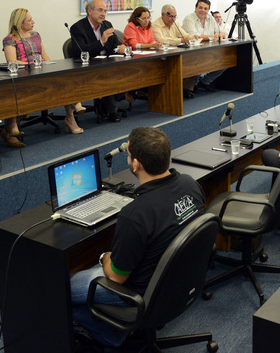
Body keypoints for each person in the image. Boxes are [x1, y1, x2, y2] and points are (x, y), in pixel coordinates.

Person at [69, 127, 204, 347]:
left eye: (129, 154)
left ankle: (112, 336)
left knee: (61, 290)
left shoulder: (134, 215)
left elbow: (116, 278)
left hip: (142, 293)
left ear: (136, 165)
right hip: (179, 280)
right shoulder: (191, 184)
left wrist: (104, 257)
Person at [3, 8, 83, 142]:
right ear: (20, 23)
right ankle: (13, 125)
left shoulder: (35, 35)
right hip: (23, 74)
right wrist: (33, 64)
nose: (33, 22)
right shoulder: (10, 39)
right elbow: (12, 61)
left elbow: (44, 56)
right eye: (29, 20)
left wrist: (51, 66)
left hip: (41, 70)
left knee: (64, 79)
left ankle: (71, 117)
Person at [70, 0, 127, 122]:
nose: (103, 14)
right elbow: (81, 51)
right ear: (89, 11)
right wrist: (101, 41)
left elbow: (116, 43)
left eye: (105, 11)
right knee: (108, 75)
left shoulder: (107, 25)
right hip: (88, 66)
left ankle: (104, 104)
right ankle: (112, 111)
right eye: (100, 10)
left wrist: (120, 48)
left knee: (128, 73)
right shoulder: (77, 28)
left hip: (107, 62)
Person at [151, 4, 198, 96]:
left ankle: (186, 89)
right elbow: (161, 40)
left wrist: (194, 36)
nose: (173, 19)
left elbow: (184, 35)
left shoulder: (175, 24)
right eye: (170, 16)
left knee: (191, 60)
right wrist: (180, 40)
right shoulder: (155, 25)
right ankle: (173, 91)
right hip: (162, 56)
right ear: (163, 15)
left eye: (175, 16)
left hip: (175, 52)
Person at [182, 0, 226, 91]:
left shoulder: (211, 18)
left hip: (209, 50)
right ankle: (194, 84)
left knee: (225, 61)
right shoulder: (188, 19)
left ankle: (205, 81)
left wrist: (220, 35)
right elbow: (195, 36)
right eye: (200, 8)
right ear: (195, 8)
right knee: (199, 63)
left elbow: (222, 31)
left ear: (208, 10)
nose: (203, 10)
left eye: (205, 9)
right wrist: (213, 37)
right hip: (193, 52)